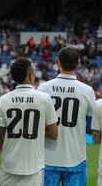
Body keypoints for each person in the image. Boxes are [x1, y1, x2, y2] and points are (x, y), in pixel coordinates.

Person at [38, 47, 96, 186]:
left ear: (58, 62)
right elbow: (90, 127)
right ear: (78, 62)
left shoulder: (43, 88)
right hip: (75, 158)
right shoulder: (87, 91)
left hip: (48, 158)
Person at [0, 58, 58, 186]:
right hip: (34, 167)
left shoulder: (3, 99)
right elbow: (54, 134)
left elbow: (0, 135)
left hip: (9, 166)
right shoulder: (44, 98)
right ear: (31, 74)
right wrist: (36, 128)